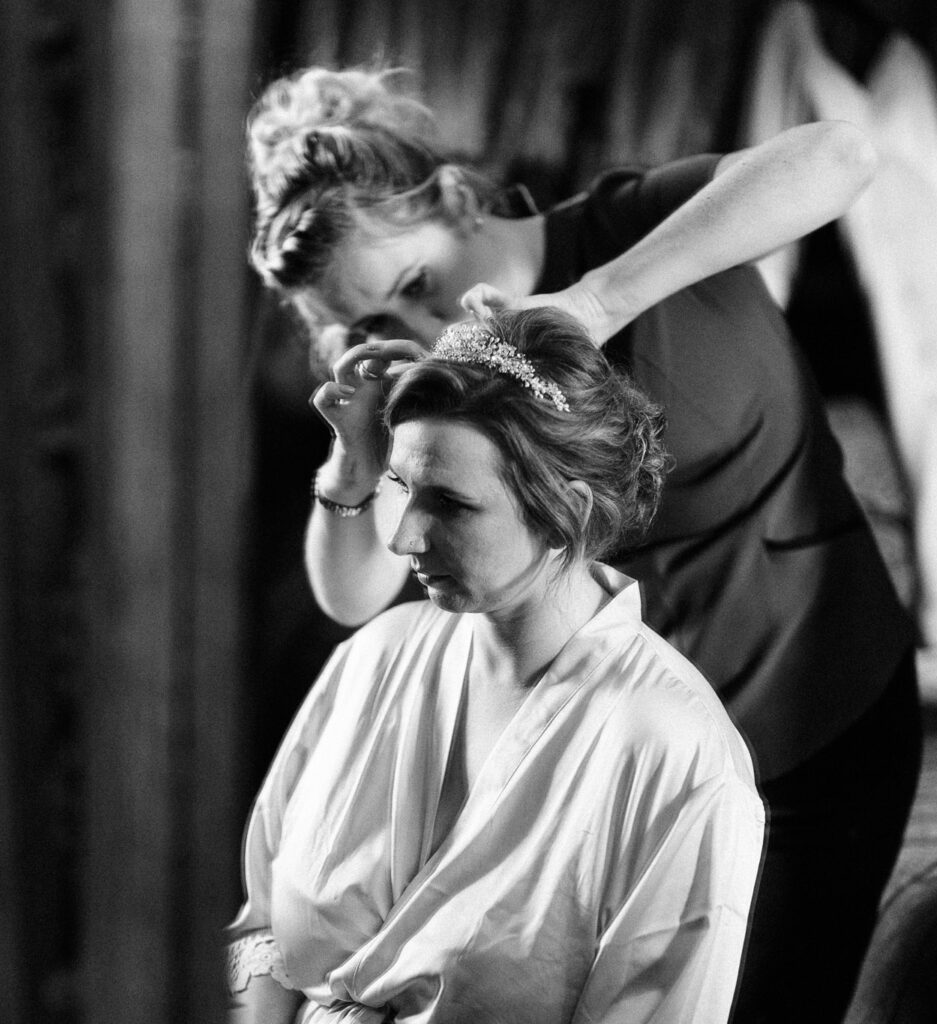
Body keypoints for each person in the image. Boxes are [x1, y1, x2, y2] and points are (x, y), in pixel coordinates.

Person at [247, 65, 922, 1023]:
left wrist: (601, 302)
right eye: (378, 322)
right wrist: (357, 460)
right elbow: (352, 597)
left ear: (454, 198)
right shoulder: (442, 383)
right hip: (617, 760)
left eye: (419, 285)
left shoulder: (628, 231)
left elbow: (846, 152)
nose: (426, 330)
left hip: (817, 708)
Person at [229, 309, 765, 1024]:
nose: (405, 538)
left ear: (565, 513)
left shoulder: (672, 754)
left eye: (450, 504)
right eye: (402, 489)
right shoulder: (375, 657)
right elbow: (263, 924)